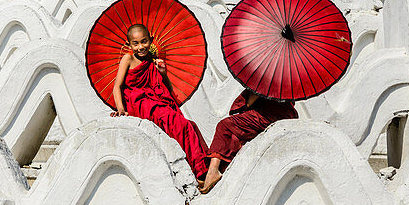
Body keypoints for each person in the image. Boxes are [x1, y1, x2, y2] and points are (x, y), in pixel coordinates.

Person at [112, 23, 209, 180]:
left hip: (156, 100)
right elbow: (117, 86)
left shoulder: (153, 60)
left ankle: (197, 167)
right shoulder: (128, 58)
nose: (140, 47)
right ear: (128, 44)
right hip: (139, 103)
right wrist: (121, 109)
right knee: (175, 122)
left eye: (144, 41)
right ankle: (197, 170)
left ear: (151, 40)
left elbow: (169, 89)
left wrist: (163, 72)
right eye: (135, 43)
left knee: (187, 125)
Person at [200, 89, 297, 192]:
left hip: (268, 115)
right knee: (234, 137)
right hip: (286, 113)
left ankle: (213, 170)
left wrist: (248, 100)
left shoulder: (267, 79)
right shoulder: (287, 83)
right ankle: (216, 173)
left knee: (224, 125)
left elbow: (251, 101)